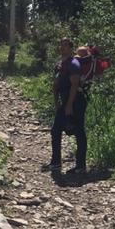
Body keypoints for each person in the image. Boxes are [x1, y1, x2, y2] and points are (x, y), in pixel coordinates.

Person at [42, 37, 87, 174]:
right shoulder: (59, 64)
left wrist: (69, 105)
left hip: (76, 101)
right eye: (61, 45)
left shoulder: (74, 64)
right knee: (56, 130)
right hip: (64, 101)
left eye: (66, 45)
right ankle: (56, 162)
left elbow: (74, 85)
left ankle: (80, 166)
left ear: (71, 48)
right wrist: (56, 102)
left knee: (79, 131)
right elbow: (56, 84)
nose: (62, 47)